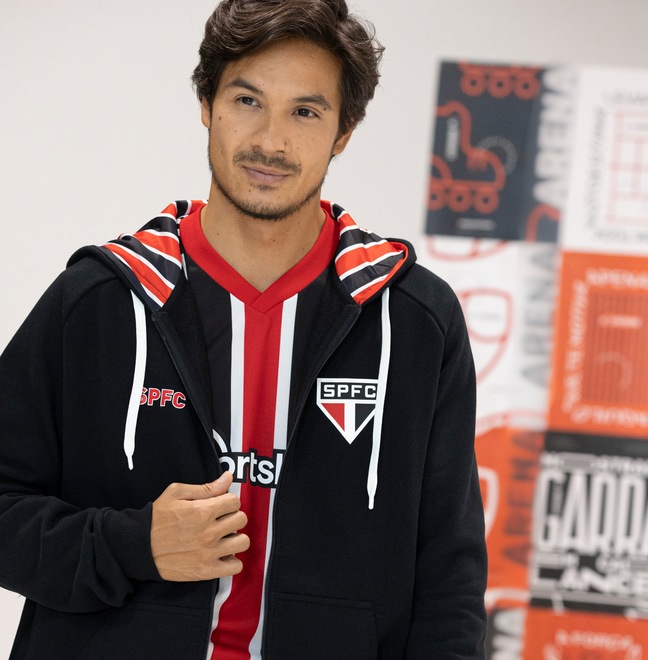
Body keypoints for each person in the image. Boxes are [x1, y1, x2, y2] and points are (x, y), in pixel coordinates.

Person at [0, 0, 487, 657]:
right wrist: (132, 545)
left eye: (305, 112)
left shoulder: (416, 321)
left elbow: (450, 577)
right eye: (248, 101)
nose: (271, 142)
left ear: (344, 131)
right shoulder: (100, 301)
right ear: (207, 104)